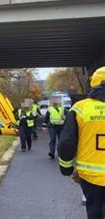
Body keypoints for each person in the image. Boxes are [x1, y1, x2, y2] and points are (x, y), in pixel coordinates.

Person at [58, 66, 105, 219]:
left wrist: (66, 167)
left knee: (94, 211)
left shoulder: (79, 109)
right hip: (89, 175)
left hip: (90, 176)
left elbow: (66, 142)